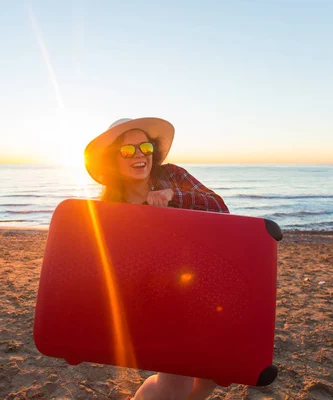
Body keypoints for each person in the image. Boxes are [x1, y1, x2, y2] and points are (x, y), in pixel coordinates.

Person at [84, 117, 229, 400]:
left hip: (195, 287)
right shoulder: (109, 208)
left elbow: (221, 209)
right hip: (151, 298)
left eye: (145, 147)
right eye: (127, 150)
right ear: (112, 159)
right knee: (177, 380)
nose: (139, 155)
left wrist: (174, 196)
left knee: (216, 375)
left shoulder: (172, 176)